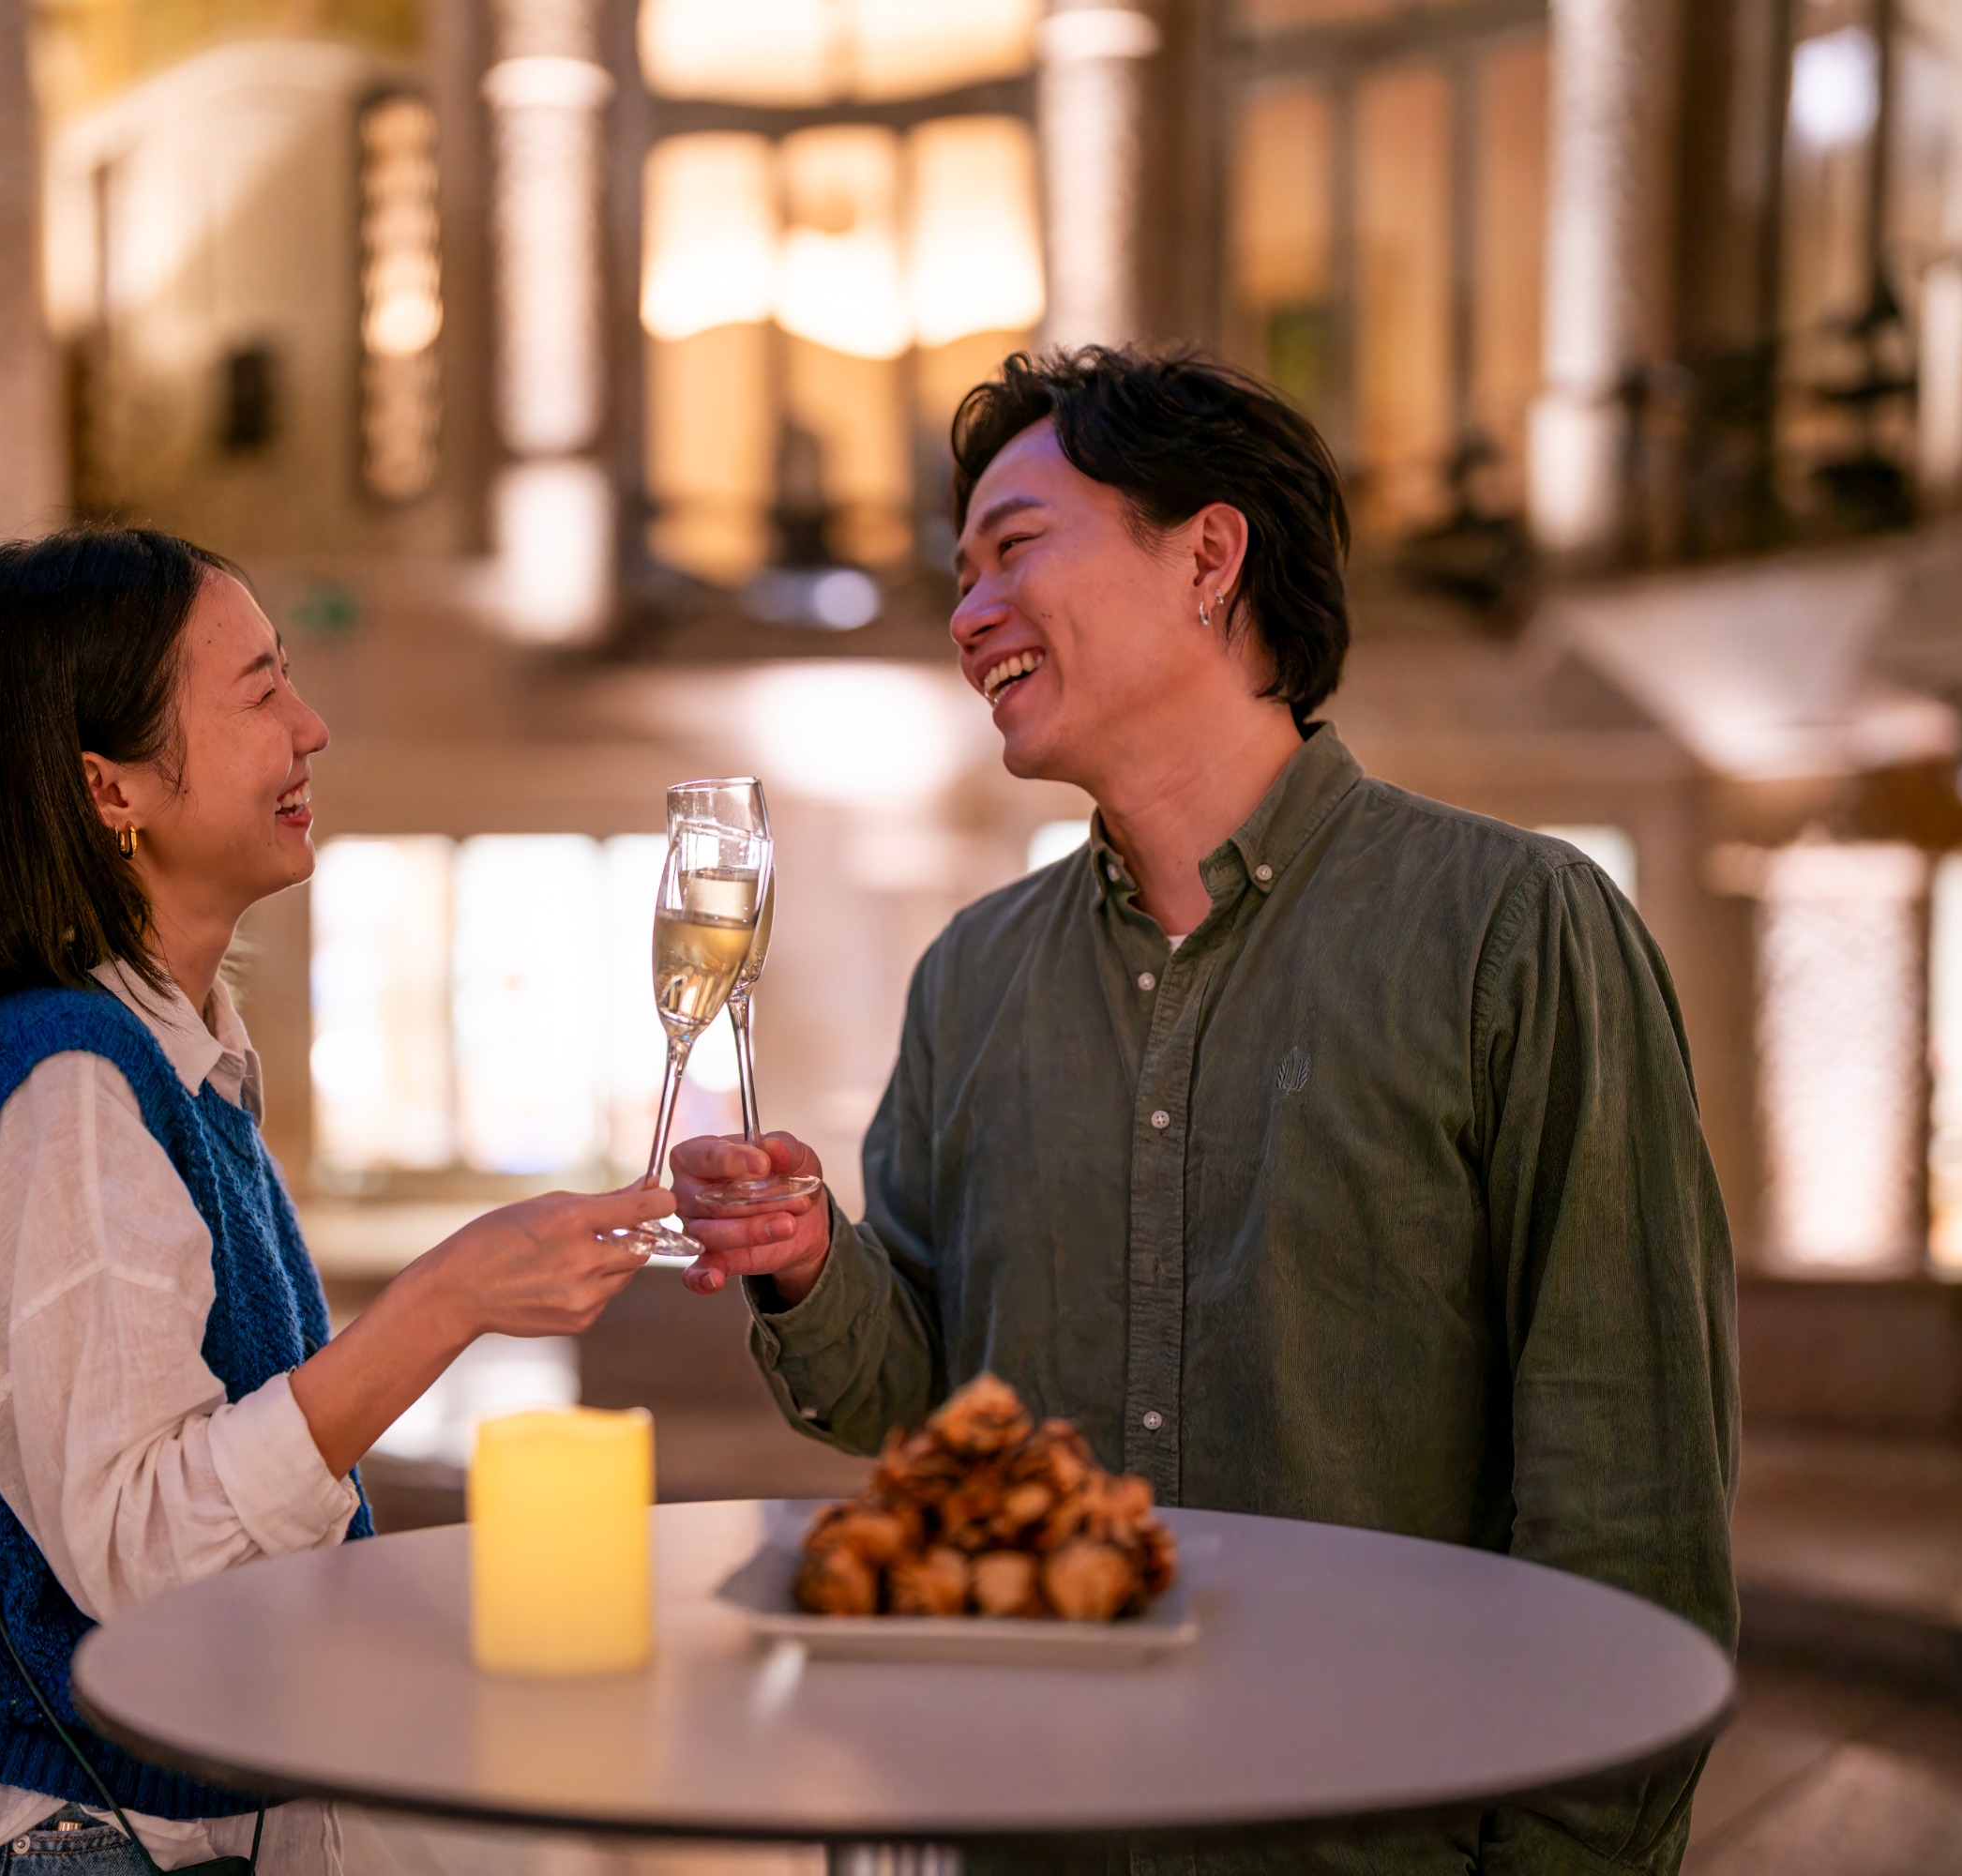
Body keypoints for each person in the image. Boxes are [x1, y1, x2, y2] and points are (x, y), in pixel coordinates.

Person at [672, 349, 1739, 1875]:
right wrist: (801, 1257)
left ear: (1210, 557)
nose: (967, 613)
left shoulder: (1517, 932)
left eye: (1015, 547)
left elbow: (1629, 1496)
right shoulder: (973, 977)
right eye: (958, 571)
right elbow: (910, 1406)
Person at [0, 528, 670, 1876]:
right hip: (82, 1843)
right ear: (108, 787)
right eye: (258, 692)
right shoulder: (64, 1093)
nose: (313, 726)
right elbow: (150, 1562)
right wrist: (445, 1306)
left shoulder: (164, 1057)